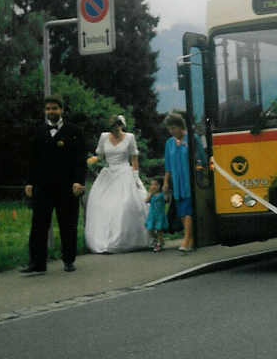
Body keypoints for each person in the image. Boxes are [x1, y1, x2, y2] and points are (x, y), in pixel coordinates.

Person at [22, 95, 86, 274]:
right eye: (48, 109)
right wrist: (29, 182)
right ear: (45, 111)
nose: (51, 112)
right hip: (43, 187)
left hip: (67, 187)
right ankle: (37, 263)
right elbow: (32, 160)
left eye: (54, 108)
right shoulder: (38, 131)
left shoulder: (74, 131)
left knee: (68, 224)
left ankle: (68, 260)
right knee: (38, 225)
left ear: (62, 110)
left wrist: (79, 182)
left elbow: (80, 159)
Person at [83, 115, 149, 253]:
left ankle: (122, 240)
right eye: (113, 127)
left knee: (124, 204)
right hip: (109, 173)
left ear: (121, 125)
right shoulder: (104, 137)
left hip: (125, 172)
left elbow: (134, 159)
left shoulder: (130, 138)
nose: (115, 130)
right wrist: (90, 161)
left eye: (117, 127)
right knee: (101, 205)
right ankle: (104, 240)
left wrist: (135, 178)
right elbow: (100, 156)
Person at [163, 113, 205, 252]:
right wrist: (166, 183)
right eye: (170, 129)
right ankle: (191, 238)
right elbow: (168, 165)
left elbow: (202, 159)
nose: (172, 131)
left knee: (187, 209)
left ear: (181, 127)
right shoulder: (169, 143)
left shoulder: (193, 138)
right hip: (177, 181)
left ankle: (186, 239)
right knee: (181, 211)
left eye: (174, 128)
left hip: (190, 180)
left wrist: (199, 172)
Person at [146, 177, 168, 252]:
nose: (153, 186)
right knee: (150, 229)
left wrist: (165, 191)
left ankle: (160, 243)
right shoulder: (151, 194)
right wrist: (150, 193)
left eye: (156, 184)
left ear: (160, 186)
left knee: (159, 230)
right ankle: (157, 241)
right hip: (152, 215)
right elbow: (146, 201)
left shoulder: (162, 195)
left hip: (160, 216)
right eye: (152, 185)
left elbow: (166, 199)